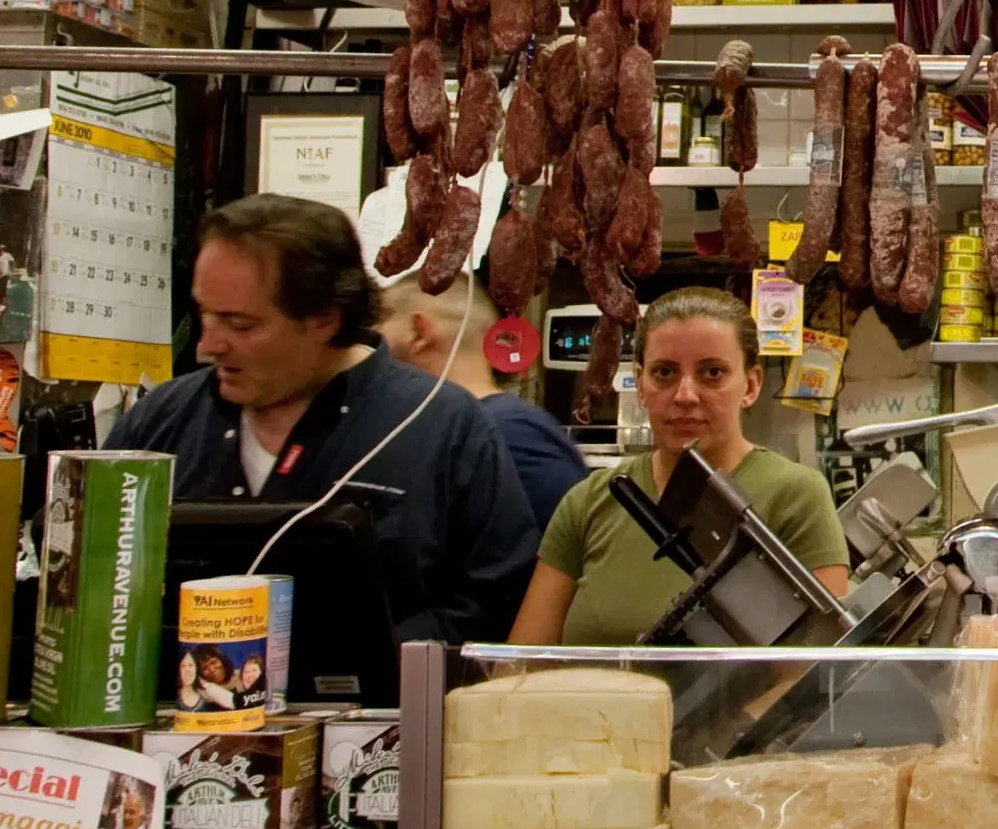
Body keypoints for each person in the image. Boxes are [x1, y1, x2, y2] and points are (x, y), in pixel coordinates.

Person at [106, 194, 540, 645]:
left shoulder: (440, 426)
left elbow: (498, 606)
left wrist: (370, 659)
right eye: (205, 315)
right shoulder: (160, 423)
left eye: (240, 325)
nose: (207, 345)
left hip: (385, 709)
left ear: (324, 319)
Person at [513, 287, 851, 645]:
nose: (685, 395)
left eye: (712, 373)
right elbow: (520, 665)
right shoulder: (587, 503)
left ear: (750, 386)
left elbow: (820, 675)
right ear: (640, 385)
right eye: (664, 373)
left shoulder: (796, 496)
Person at [380, 272, 586, 529]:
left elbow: (573, 553)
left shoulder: (511, 435)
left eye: (380, 326)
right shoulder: (477, 427)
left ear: (419, 332)